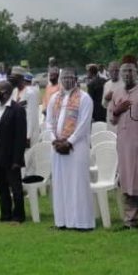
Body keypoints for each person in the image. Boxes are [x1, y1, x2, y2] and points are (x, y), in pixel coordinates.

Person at [108, 58, 138, 234]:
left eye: (131, 70)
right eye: (125, 71)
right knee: (126, 182)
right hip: (123, 145)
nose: (128, 74)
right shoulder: (117, 93)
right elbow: (112, 119)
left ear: (137, 72)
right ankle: (130, 220)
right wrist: (117, 110)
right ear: (120, 73)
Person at [46, 68, 95, 230]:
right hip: (57, 147)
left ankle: (82, 222)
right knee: (60, 184)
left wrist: (69, 142)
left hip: (77, 147)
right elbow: (49, 122)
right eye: (64, 77)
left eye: (70, 77)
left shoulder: (84, 98)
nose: (67, 80)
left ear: (76, 79)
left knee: (77, 184)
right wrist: (54, 140)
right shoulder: (54, 98)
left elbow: (83, 124)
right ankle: (62, 221)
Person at [0, 80, 28, 224]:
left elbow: (20, 137)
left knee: (15, 188)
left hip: (11, 156)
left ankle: (18, 216)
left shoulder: (17, 110)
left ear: (8, 92)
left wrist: (17, 159)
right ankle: (5, 214)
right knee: (1, 187)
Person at [10, 67, 40, 146]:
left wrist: (28, 136)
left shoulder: (30, 93)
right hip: (17, 132)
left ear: (21, 78)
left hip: (28, 133)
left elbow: (32, 115)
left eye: (14, 77)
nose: (12, 79)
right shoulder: (14, 91)